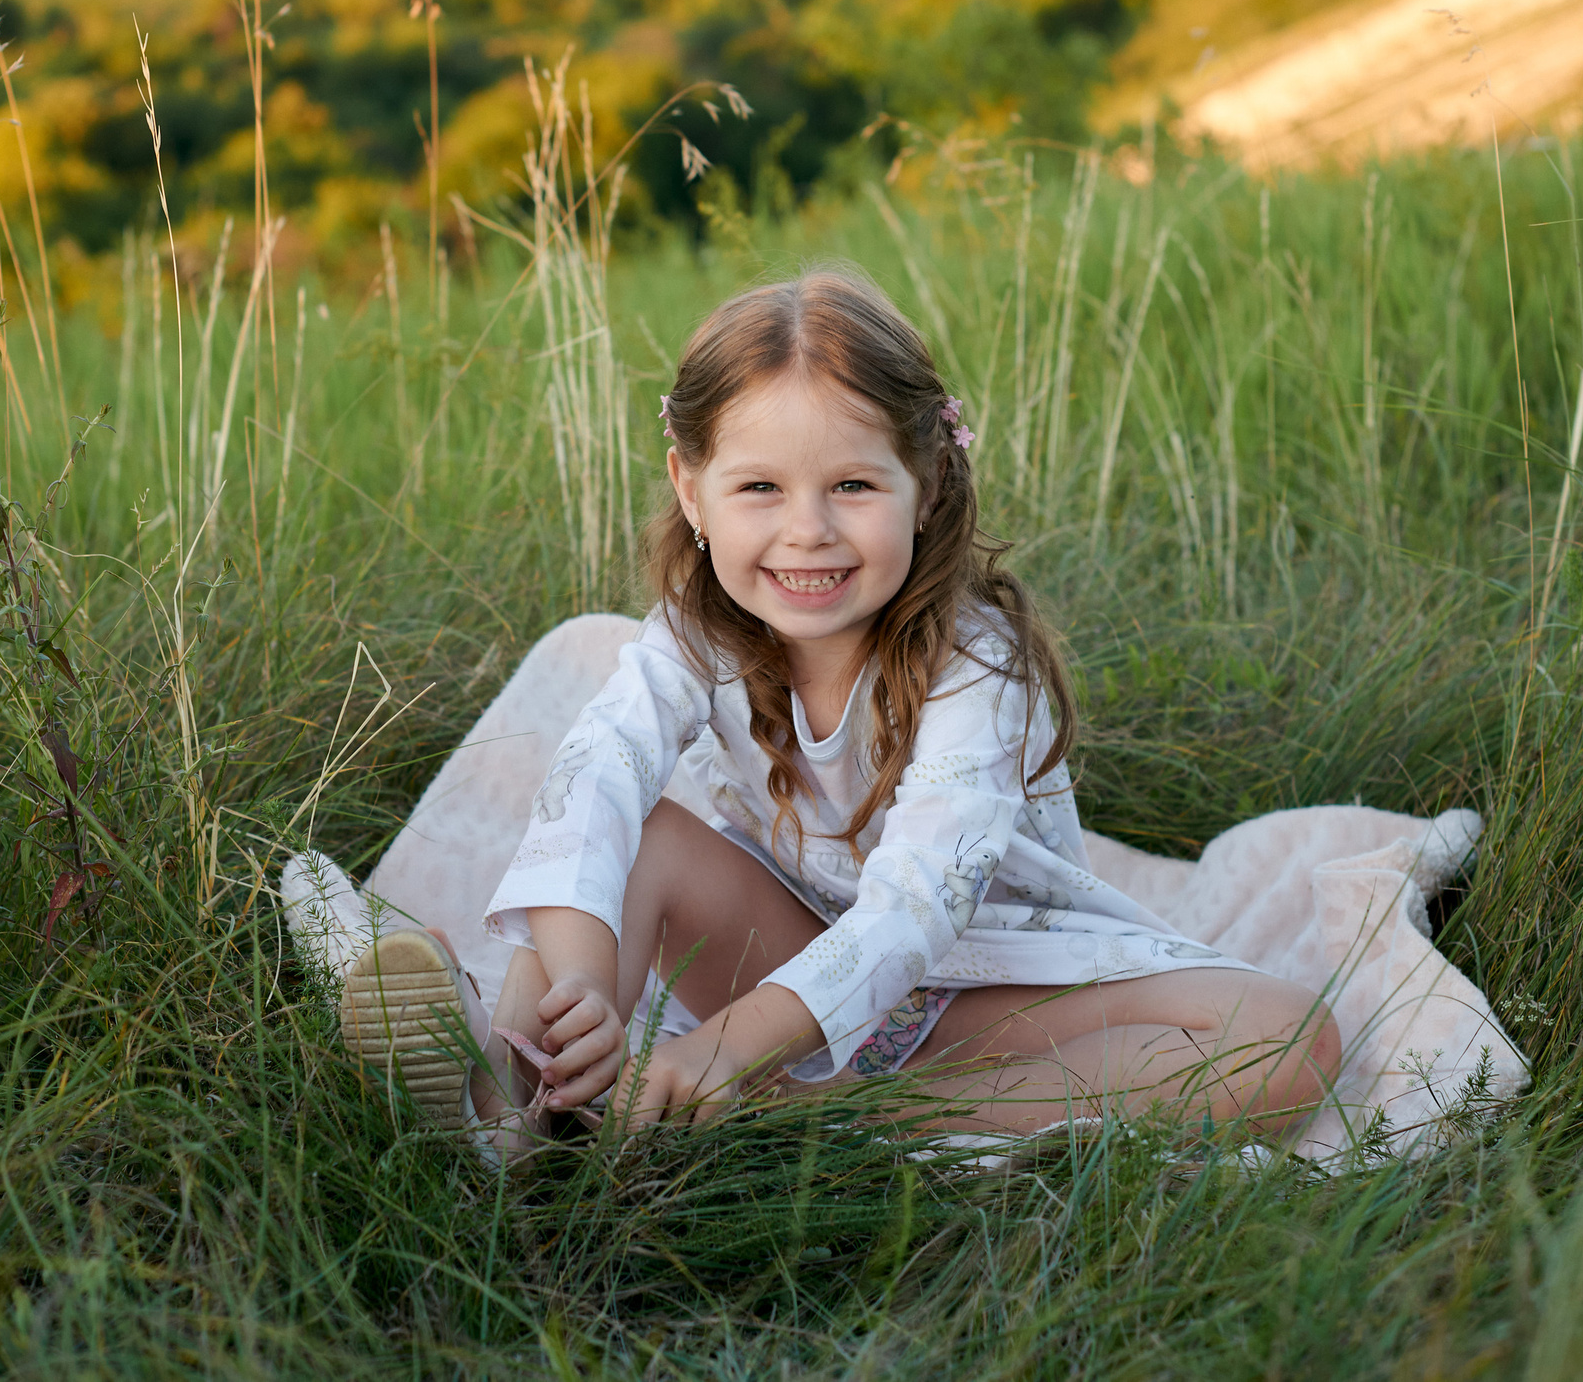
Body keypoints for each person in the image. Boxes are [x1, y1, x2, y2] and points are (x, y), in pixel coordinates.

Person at [337, 270, 1339, 1157]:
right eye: (760, 486)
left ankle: (842, 1117)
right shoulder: (696, 633)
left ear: (927, 481)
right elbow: (595, 771)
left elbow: (919, 905)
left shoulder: (974, 661)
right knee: (622, 838)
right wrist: (589, 991)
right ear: (692, 488)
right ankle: (527, 1086)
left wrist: (718, 1050)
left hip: (984, 986)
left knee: (1288, 1033)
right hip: (776, 947)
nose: (806, 530)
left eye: (852, 484)